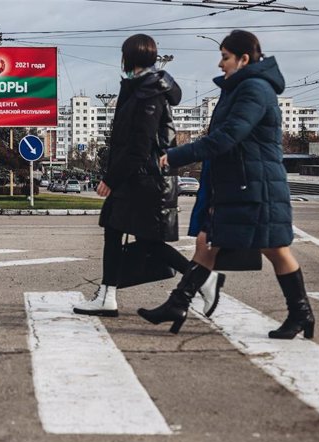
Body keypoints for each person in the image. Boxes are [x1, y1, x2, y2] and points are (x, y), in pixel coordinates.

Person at [138, 30, 315, 339]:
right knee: (207, 241)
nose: (220, 64)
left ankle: (301, 313)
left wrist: (175, 155)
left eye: (225, 57)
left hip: (256, 186)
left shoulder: (255, 89)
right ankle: (178, 303)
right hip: (240, 184)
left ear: (243, 59)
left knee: (275, 248)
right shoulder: (240, 89)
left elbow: (227, 137)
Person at [74, 34, 224, 318]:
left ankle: (202, 279)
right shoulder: (139, 88)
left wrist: (111, 178)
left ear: (129, 58)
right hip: (139, 178)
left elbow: (140, 145)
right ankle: (108, 296)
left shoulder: (149, 92)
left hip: (145, 180)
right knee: (117, 233)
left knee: (146, 243)